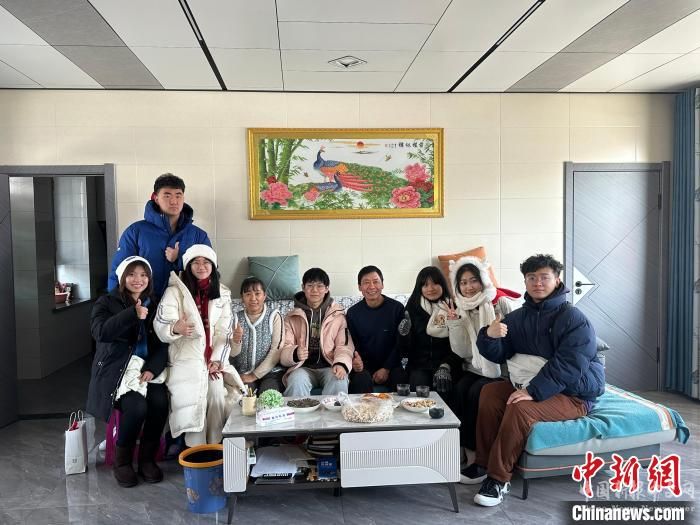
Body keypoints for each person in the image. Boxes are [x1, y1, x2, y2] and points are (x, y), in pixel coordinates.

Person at [461, 254, 605, 507]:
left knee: (520, 407)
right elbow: (500, 354)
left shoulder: (573, 318)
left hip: (574, 394)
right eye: (531, 278)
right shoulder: (518, 317)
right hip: (535, 384)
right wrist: (489, 336)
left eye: (544, 277)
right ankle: (482, 463)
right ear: (525, 281)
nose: (538, 283)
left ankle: (498, 479)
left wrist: (533, 391)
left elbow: (570, 365)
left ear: (557, 280)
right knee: (490, 393)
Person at [87, 256, 168, 487]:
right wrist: (132, 313)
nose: (138, 279)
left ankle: (147, 460)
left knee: (160, 403)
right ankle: (122, 462)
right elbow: (100, 332)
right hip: (117, 372)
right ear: (122, 277)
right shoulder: (106, 302)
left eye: (143, 275)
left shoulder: (154, 303)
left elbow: (162, 343)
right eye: (131, 274)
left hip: (145, 371)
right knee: (137, 407)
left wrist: (152, 368)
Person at [154, 244, 244, 446]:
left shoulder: (222, 294)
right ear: (188, 266)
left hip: (212, 361)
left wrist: (217, 361)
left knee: (216, 391)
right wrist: (175, 328)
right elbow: (160, 324)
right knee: (193, 399)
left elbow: (224, 331)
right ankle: (195, 451)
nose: (201, 266)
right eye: (196, 262)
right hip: (184, 360)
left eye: (206, 262)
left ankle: (215, 447)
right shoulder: (174, 292)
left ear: (213, 266)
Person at [445, 256, 514, 470]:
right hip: (475, 368)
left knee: (477, 392)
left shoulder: (499, 302)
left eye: (473, 280)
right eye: (463, 282)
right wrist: (455, 324)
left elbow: (516, 341)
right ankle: (458, 448)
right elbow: (463, 352)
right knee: (459, 389)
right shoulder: (459, 308)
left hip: (500, 370)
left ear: (483, 280)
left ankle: (475, 455)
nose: (469, 287)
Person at [109, 173, 211, 297]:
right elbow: (119, 272)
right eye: (167, 196)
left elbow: (209, 273)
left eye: (178, 195)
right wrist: (116, 303)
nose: (174, 201)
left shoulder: (198, 235)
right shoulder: (135, 232)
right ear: (156, 198)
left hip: (186, 303)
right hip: (144, 304)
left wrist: (178, 260)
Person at [280, 268, 353, 397]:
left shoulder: (337, 315)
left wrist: (341, 363)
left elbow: (344, 346)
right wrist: (295, 353)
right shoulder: (291, 317)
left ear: (327, 289)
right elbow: (284, 347)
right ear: (303, 288)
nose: (314, 290)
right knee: (296, 380)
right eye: (310, 285)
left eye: (319, 286)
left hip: (330, 366)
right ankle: (299, 411)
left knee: (339, 379)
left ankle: (332, 411)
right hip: (302, 368)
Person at [398, 266, 463, 409]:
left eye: (435, 283)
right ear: (419, 288)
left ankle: (446, 420)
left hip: (447, 363)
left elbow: (460, 345)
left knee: (444, 383)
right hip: (419, 365)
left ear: (442, 285)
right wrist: (404, 334)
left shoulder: (453, 307)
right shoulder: (412, 308)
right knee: (418, 383)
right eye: (425, 285)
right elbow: (405, 349)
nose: (430, 288)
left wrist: (446, 366)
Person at [346, 265, 406, 393]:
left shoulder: (397, 309)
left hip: (392, 365)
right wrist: (356, 361)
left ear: (382, 284)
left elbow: (401, 343)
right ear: (359, 287)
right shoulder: (352, 313)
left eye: (376, 281)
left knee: (400, 377)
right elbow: (352, 344)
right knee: (361, 380)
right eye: (366, 282)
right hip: (364, 366)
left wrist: (386, 368)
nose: (372, 286)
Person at [230, 277, 285, 393]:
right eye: (248, 294)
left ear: (264, 296)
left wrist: (254, 375)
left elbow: (276, 350)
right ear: (242, 297)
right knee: (244, 397)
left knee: (268, 395)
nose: (253, 298)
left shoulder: (274, 316)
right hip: (244, 373)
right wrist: (236, 341)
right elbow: (232, 354)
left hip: (271, 373)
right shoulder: (235, 318)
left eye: (257, 293)